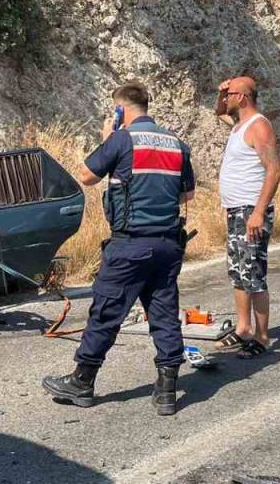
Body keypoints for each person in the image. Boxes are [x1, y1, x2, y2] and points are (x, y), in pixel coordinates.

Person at [42, 82, 196, 416]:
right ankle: (167, 390)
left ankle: (83, 381)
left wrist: (107, 137)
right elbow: (187, 196)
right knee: (164, 314)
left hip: (130, 245)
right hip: (168, 245)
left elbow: (86, 176)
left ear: (120, 110)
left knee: (106, 312)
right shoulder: (176, 144)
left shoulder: (122, 139)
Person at [213, 76, 280, 359]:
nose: (226, 98)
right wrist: (220, 94)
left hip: (250, 211)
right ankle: (243, 329)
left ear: (241, 97)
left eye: (229, 94)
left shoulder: (259, 126)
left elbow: (275, 170)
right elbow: (219, 113)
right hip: (235, 211)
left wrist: (257, 212)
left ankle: (262, 336)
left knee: (254, 274)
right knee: (238, 273)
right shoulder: (239, 125)